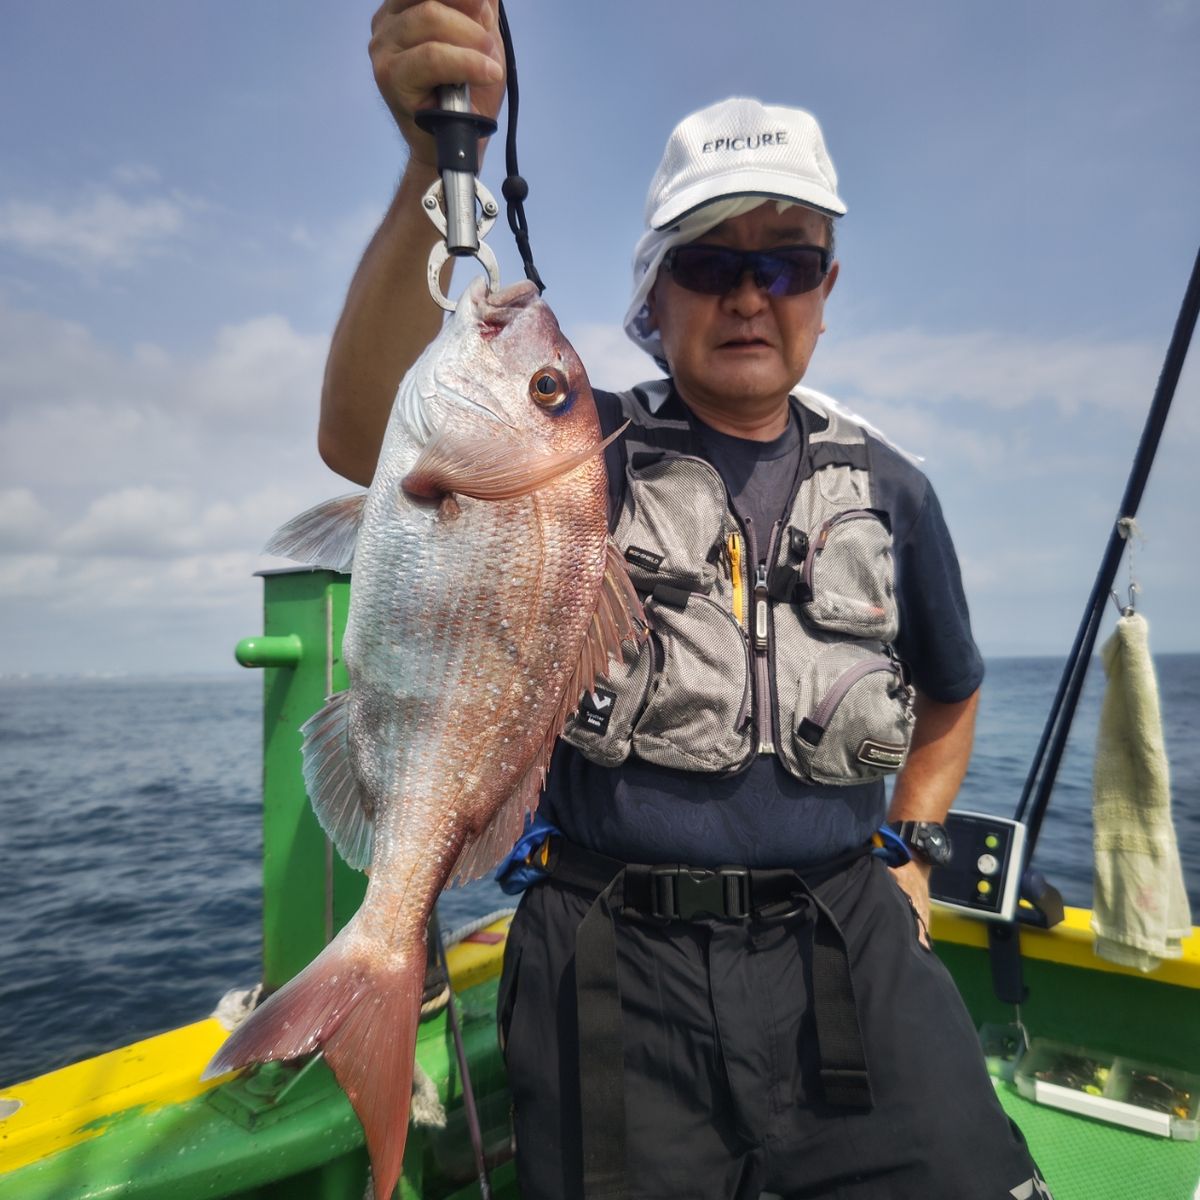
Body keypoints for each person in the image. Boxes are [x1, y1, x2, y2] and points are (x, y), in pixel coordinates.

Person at [323, 4, 1052, 1197]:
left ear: (826, 290)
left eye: (788, 262)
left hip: (846, 942)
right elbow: (364, 437)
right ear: (652, 300)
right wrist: (429, 158)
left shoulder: (892, 488)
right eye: (711, 264)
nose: (751, 295)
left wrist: (912, 852)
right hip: (612, 959)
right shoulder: (569, 450)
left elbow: (951, 692)